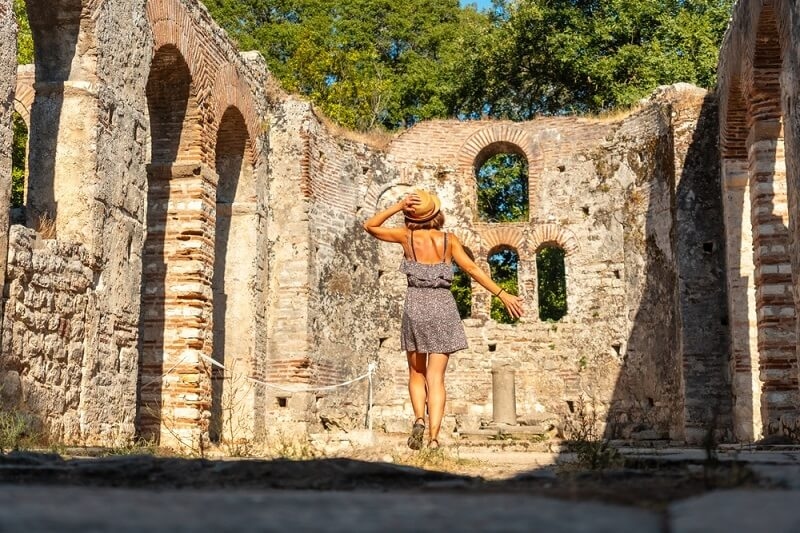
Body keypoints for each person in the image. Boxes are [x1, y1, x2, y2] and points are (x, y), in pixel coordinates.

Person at [363, 189, 524, 450]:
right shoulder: (450, 240)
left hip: (416, 304)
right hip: (443, 306)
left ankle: (418, 419)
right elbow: (472, 269)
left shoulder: (407, 236)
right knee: (436, 377)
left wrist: (398, 206)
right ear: (436, 214)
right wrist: (502, 294)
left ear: (412, 216)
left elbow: (370, 226)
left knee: (416, 373)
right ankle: (435, 439)